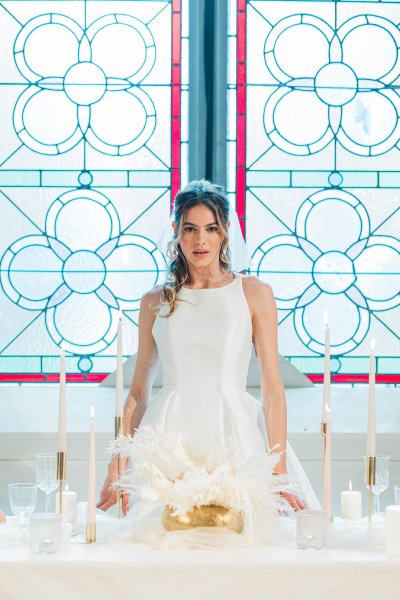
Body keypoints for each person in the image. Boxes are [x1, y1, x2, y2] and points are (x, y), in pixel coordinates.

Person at [97, 180, 319, 542]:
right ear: (176, 232)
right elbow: (138, 392)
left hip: (234, 434)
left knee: (243, 544)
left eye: (211, 229)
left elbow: (273, 387)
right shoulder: (155, 300)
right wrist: (116, 466)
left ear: (226, 232)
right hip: (167, 439)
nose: (201, 240)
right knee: (159, 543)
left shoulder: (253, 293)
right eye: (190, 229)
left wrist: (276, 471)